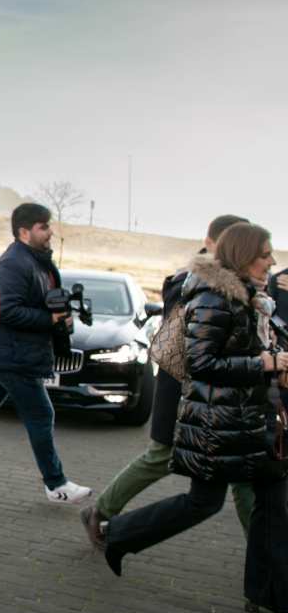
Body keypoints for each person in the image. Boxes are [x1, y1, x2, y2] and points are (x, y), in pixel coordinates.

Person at [101, 223, 288, 613]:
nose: (272, 262)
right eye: (265, 254)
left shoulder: (249, 298)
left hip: (243, 422)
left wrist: (273, 358)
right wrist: (264, 363)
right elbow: (201, 364)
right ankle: (117, 533)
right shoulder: (215, 297)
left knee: (269, 497)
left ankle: (271, 591)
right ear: (242, 255)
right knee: (203, 503)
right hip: (215, 424)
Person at [82, 215, 255, 548]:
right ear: (213, 241)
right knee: (161, 457)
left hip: (211, 400)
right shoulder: (192, 282)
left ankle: (265, 559)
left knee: (243, 479)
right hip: (184, 393)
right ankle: (101, 511)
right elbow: (185, 350)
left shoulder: (230, 283)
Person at [0, 202, 93, 504]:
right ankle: (56, 484)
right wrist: (48, 320)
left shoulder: (36, 261)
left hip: (9, 353)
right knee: (41, 413)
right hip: (9, 354)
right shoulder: (15, 264)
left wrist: (59, 316)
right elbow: (6, 311)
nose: (50, 231)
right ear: (25, 231)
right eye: (44, 226)